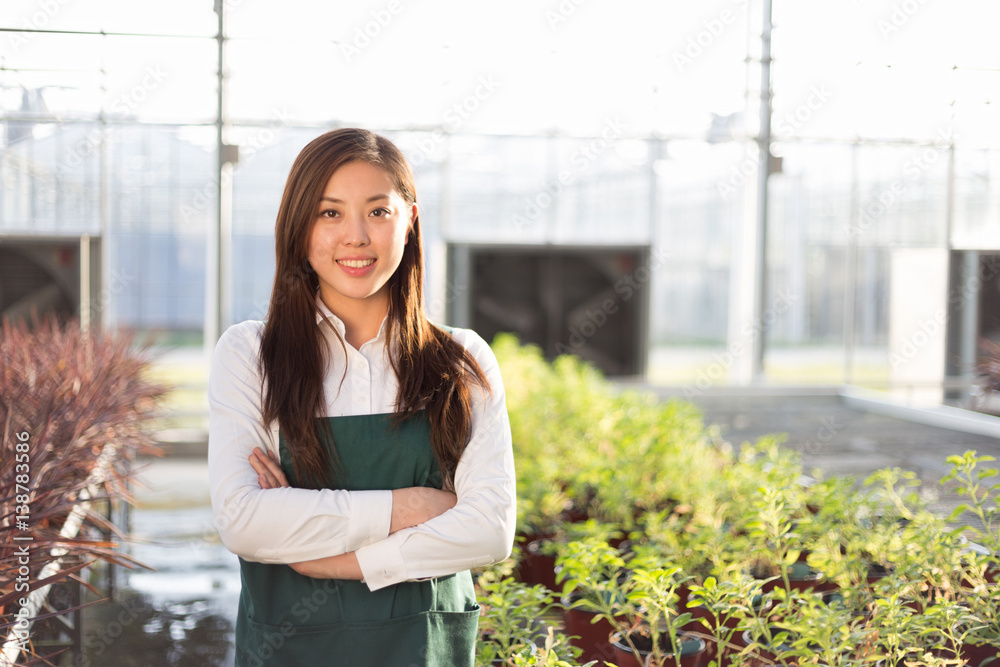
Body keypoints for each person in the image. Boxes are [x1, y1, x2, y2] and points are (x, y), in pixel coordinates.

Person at [207, 128, 516, 667]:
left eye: (377, 211)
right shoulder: (250, 355)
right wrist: (410, 508)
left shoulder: (460, 361)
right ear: (299, 226)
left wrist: (334, 561)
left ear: (409, 221)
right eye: (330, 213)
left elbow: (489, 531)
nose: (355, 236)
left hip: (424, 648)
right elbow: (244, 521)